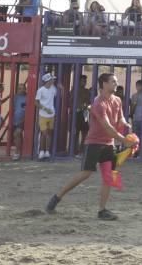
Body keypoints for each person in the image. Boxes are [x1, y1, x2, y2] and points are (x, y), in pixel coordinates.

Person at [45, 73, 136, 220]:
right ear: (104, 84)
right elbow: (107, 127)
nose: (116, 84)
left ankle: (102, 210)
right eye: (113, 81)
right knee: (85, 174)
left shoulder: (117, 100)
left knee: (108, 177)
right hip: (94, 143)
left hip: (108, 144)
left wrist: (126, 124)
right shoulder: (98, 104)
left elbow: (120, 119)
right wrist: (124, 140)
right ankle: (56, 197)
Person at [35, 73, 57, 161]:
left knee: (49, 134)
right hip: (43, 115)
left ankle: (47, 151)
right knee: (44, 134)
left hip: (51, 114)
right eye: (52, 79)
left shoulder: (53, 88)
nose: (53, 80)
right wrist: (45, 109)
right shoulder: (41, 90)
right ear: (48, 80)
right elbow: (36, 102)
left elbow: (59, 96)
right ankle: (41, 151)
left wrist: (62, 89)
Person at [72, 75, 91, 154]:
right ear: (79, 81)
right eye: (83, 81)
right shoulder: (74, 90)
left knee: (85, 131)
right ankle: (74, 149)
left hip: (85, 113)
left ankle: (82, 149)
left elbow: (89, 101)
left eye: (85, 81)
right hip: (76, 113)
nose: (84, 83)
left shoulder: (87, 91)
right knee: (76, 131)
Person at [8, 84, 27, 160]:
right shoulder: (15, 97)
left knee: (17, 133)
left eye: (22, 88)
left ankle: (17, 153)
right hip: (15, 120)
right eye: (19, 88)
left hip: (23, 120)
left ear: (25, 89)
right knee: (16, 136)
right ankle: (20, 151)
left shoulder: (27, 97)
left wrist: (24, 119)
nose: (21, 90)